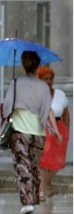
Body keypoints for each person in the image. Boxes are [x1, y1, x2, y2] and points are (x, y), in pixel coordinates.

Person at [1, 51, 52, 214]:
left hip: (20, 129)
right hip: (37, 131)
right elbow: (45, 110)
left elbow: (8, 106)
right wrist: (41, 124)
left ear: (23, 65)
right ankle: (35, 197)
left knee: (22, 165)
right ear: (38, 66)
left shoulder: (15, 83)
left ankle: (27, 201)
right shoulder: (43, 86)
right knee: (34, 166)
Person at [37, 65, 69, 199]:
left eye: (51, 79)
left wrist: (66, 130)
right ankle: (42, 189)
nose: (49, 81)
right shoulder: (37, 94)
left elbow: (66, 113)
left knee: (58, 160)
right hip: (44, 126)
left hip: (59, 126)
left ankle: (46, 183)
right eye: (46, 79)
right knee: (45, 160)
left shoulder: (60, 94)